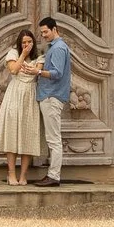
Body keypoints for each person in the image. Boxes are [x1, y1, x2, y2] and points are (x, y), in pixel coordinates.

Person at [0, 28, 45, 185]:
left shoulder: (40, 57)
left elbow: (37, 71)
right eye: (24, 42)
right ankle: (11, 173)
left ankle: (23, 175)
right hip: (15, 94)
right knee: (11, 133)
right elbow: (13, 70)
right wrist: (23, 55)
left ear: (34, 42)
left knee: (28, 134)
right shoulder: (13, 53)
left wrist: (34, 68)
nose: (27, 44)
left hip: (31, 95)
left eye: (29, 42)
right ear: (20, 43)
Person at [32, 15, 72, 186]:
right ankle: (52, 174)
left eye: (46, 32)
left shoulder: (58, 49)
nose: (43, 35)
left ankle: (54, 176)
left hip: (52, 97)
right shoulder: (55, 47)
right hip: (49, 96)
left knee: (54, 139)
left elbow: (57, 74)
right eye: (41, 33)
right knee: (52, 138)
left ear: (55, 29)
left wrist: (38, 73)